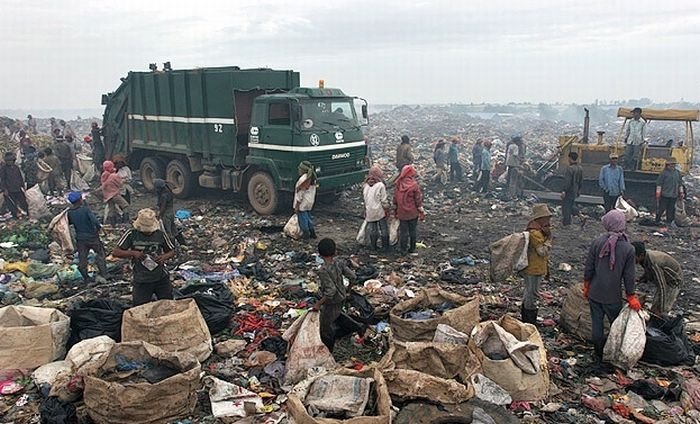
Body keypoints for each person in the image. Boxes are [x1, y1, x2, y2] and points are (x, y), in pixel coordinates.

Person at [583, 209, 640, 362]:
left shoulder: (597, 242)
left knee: (597, 324)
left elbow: (589, 267)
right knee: (616, 327)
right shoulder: (629, 249)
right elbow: (629, 276)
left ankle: (598, 353)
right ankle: (613, 354)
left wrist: (587, 285)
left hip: (595, 293)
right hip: (613, 297)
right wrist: (631, 296)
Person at [113, 208, 176, 306]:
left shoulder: (160, 234)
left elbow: (171, 251)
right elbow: (116, 252)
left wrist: (164, 257)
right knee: (140, 307)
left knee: (167, 304)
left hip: (160, 277)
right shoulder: (131, 234)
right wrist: (133, 253)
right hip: (141, 279)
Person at [312, 238, 360, 352]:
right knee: (338, 314)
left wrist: (318, 304)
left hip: (331, 302)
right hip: (342, 297)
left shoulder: (323, 270)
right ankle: (355, 327)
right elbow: (353, 276)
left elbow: (330, 291)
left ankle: (329, 350)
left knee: (325, 326)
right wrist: (348, 290)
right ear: (335, 252)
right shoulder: (339, 262)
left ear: (320, 254)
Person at [66, 191, 107, 284]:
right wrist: (98, 228)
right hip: (92, 237)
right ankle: (104, 274)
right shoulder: (85, 210)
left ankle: (86, 278)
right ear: (80, 200)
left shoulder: (70, 213)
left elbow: (69, 223)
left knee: (82, 259)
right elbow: (95, 221)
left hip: (80, 239)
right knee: (100, 254)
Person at [521, 204, 552, 324]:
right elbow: (542, 252)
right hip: (533, 269)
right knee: (532, 295)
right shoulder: (535, 233)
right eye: (546, 218)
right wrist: (549, 239)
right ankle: (529, 322)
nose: (549, 220)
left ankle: (527, 319)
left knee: (529, 293)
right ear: (540, 218)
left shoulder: (538, 230)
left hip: (535, 267)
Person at [632, 241, 682, 315]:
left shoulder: (654, 263)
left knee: (662, 309)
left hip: (673, 281)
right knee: (654, 308)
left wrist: (662, 309)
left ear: (641, 255)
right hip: (665, 279)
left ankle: (662, 319)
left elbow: (662, 287)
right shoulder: (645, 257)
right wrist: (642, 278)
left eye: (633, 257)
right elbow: (648, 270)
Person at [393, 165, 424, 254]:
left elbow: (395, 198)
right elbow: (418, 199)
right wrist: (421, 210)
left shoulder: (398, 184)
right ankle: (412, 248)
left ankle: (403, 249)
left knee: (403, 231)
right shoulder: (414, 185)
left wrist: (395, 209)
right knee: (412, 230)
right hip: (412, 212)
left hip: (402, 212)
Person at [362, 165, 390, 251]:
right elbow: (383, 200)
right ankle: (385, 247)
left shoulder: (365, 186)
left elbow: (365, 199)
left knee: (373, 229)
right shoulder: (380, 185)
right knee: (383, 229)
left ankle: (373, 246)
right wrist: (387, 209)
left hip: (370, 211)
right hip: (379, 211)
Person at [655, 157, 683, 225]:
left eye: (674, 164)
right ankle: (657, 220)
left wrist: (681, 192)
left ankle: (669, 221)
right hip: (665, 194)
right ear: (668, 165)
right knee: (662, 208)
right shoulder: (664, 173)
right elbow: (659, 184)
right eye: (671, 164)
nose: (673, 165)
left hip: (674, 194)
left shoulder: (677, 173)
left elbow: (680, 183)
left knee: (671, 209)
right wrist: (658, 193)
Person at [0, 152, 28, 219]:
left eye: (11, 161)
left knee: (23, 201)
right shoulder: (3, 169)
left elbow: (20, 177)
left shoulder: (16, 167)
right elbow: (2, 180)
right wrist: (4, 189)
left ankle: (26, 213)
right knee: (12, 204)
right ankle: (15, 216)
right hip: (9, 189)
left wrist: (23, 185)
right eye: (8, 161)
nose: (9, 162)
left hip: (18, 188)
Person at [100, 160, 129, 225]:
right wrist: (123, 180)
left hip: (107, 196)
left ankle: (112, 223)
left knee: (111, 209)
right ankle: (125, 221)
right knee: (125, 205)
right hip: (115, 194)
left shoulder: (104, 175)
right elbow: (120, 184)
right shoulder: (114, 176)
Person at [294, 161, 317, 239]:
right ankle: (313, 233)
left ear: (303, 170)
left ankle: (306, 234)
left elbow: (300, 194)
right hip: (310, 201)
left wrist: (297, 205)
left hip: (303, 202)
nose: (298, 169)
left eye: (299, 168)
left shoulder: (302, 180)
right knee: (308, 217)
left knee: (303, 219)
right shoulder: (312, 178)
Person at [561, 152, 583, 226]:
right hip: (575, 190)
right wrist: (579, 190)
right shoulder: (580, 168)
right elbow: (581, 181)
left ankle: (566, 224)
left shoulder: (570, 169)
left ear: (570, 158)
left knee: (566, 207)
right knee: (571, 205)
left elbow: (567, 181)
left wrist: (564, 191)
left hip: (569, 191)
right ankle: (581, 216)